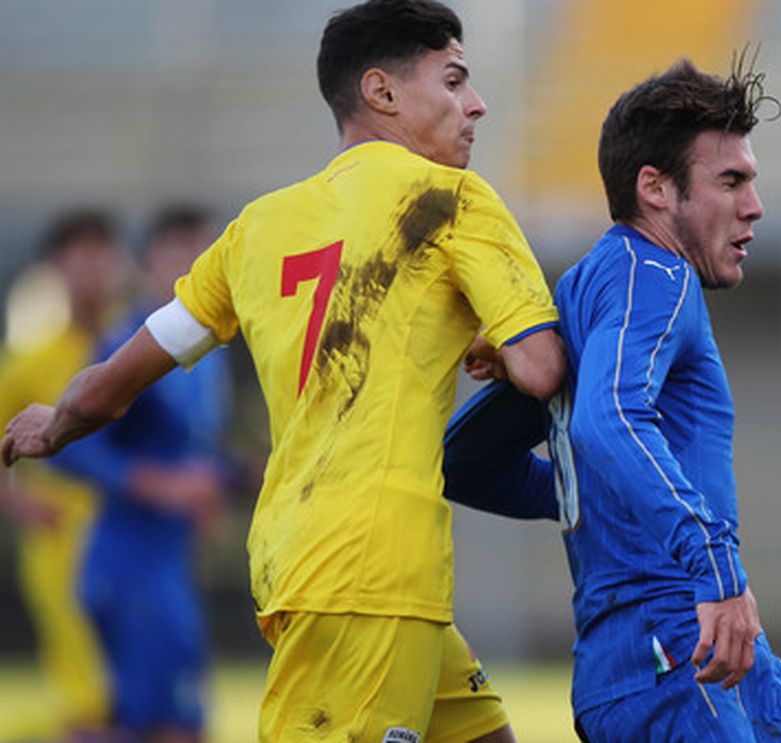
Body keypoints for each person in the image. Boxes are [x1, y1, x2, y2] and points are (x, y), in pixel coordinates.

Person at [3, 2, 564, 742]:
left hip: (307, 556)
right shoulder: (451, 200)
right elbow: (543, 367)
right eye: (455, 79)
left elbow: (117, 377)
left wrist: (53, 423)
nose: (477, 103)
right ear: (382, 91)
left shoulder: (255, 229)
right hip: (369, 573)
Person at [443, 60, 781, 741]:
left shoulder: (583, 291)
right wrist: (716, 568)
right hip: (671, 654)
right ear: (655, 189)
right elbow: (611, 418)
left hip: (713, 661)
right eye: (731, 181)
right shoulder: (656, 275)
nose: (755, 204)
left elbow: (464, 460)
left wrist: (600, 499)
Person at [48, 205, 232, 743]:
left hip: (168, 563)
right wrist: (156, 483)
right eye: (179, 253)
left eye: (203, 254)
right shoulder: (127, 346)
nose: (192, 267)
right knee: (170, 729)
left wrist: (227, 480)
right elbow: (69, 448)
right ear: (146, 263)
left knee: (166, 725)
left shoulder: (209, 351)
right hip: (128, 566)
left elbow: (190, 453)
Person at [0, 209, 123, 742]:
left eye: (102, 256)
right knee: (87, 692)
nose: (93, 270)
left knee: (138, 687)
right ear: (56, 269)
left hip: (131, 533)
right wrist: (21, 506)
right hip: (60, 541)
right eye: (80, 258)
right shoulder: (29, 360)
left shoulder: (134, 348)